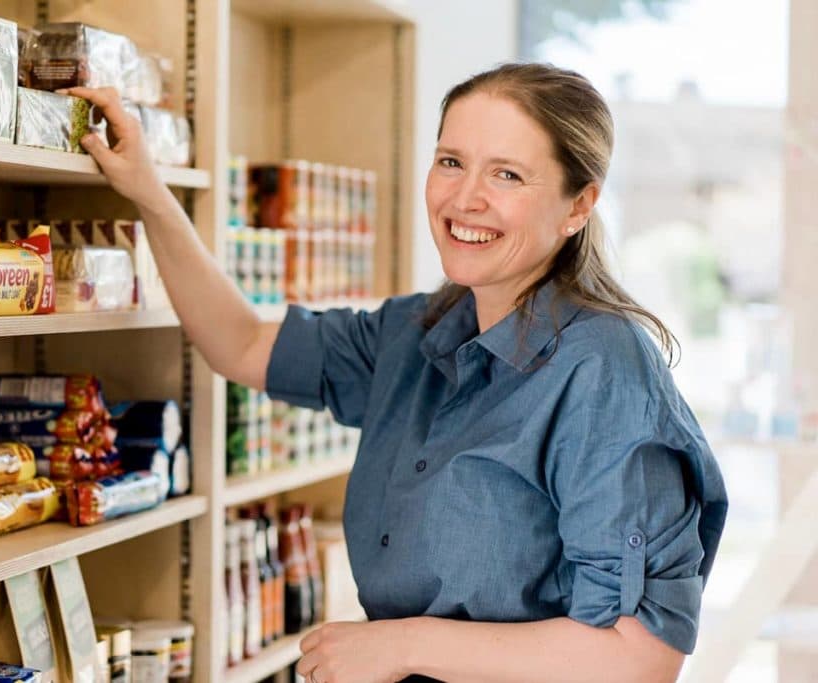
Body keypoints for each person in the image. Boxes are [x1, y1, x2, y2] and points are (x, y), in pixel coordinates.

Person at [61, 62, 728, 683]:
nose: (466, 198)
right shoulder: (412, 334)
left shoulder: (602, 369)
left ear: (579, 206)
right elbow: (238, 344)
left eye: (507, 175)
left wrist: (403, 642)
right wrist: (149, 190)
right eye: (451, 162)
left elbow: (641, 657)